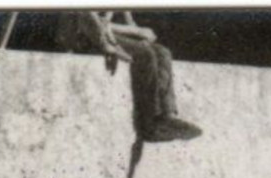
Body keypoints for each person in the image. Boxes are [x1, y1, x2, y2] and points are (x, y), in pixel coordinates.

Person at [57, 11, 201, 143]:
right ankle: (149, 125)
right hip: (85, 37)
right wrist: (129, 34)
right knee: (145, 54)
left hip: (108, 34)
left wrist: (136, 32)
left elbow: (134, 27)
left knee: (163, 52)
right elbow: (88, 19)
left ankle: (167, 115)